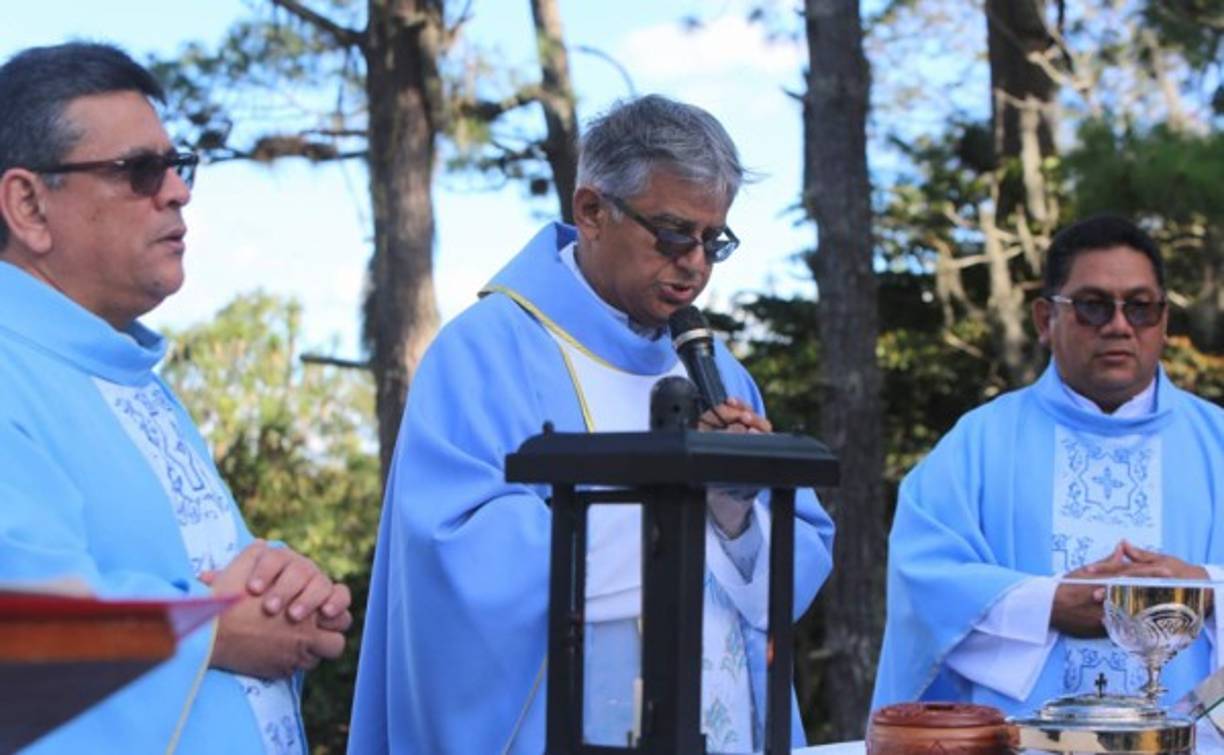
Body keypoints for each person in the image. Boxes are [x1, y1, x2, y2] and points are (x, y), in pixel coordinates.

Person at [349, 95, 835, 754]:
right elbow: (454, 553)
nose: (695, 263)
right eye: (673, 233)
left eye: (713, 240)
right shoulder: (485, 352)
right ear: (591, 211)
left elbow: (793, 562)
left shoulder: (717, 369)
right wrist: (672, 518)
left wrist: (734, 514)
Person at [0, 43, 352, 754]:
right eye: (138, 171)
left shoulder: (129, 373)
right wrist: (214, 628)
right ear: (29, 205)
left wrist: (285, 584)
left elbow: (194, 560)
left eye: (177, 164)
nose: (178, 192)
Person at [872, 215, 1224, 719]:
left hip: (1191, 741)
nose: (1119, 326)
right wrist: (1048, 605)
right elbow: (923, 580)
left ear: (1164, 321)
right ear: (1044, 320)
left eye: (1141, 307)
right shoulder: (980, 441)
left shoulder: (1217, 441)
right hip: (1020, 741)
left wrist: (1203, 590)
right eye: (1093, 306)